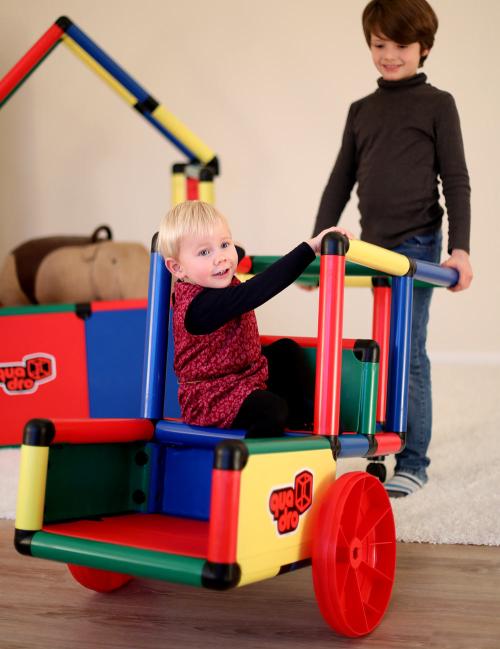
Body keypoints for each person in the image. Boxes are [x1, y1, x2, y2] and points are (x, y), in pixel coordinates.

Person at [311, 0, 473, 496]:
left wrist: (461, 250)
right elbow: (340, 180)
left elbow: (457, 180)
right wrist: (316, 241)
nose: (388, 54)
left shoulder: (437, 104)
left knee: (408, 349)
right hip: (374, 245)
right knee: (379, 348)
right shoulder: (361, 110)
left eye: (399, 45)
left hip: (419, 241)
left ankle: (413, 460)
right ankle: (379, 440)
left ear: (422, 47)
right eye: (379, 44)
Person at [158, 200, 352, 438]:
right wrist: (310, 248)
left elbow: (235, 253)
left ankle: (304, 416)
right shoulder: (200, 306)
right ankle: (250, 460)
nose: (220, 258)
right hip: (211, 397)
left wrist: (232, 250)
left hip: (245, 377)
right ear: (177, 269)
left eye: (223, 244)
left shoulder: (211, 275)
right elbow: (258, 289)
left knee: (286, 350)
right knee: (272, 410)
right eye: (204, 252)